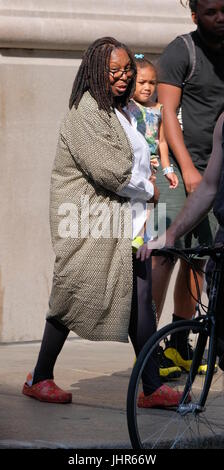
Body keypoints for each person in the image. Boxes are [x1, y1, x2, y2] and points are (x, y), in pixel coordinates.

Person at [22, 37, 182, 408]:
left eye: (127, 69)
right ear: (95, 70)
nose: (124, 77)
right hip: (90, 223)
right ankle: (40, 376)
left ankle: (152, 385)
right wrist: (150, 191)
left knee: (141, 299)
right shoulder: (84, 114)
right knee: (72, 294)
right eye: (115, 70)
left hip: (127, 221)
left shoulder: (122, 111)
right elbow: (110, 171)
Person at [151, 0, 224, 373]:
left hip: (217, 169)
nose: (220, 17)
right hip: (178, 170)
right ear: (195, 15)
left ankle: (180, 340)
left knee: (200, 257)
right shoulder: (182, 50)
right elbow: (166, 114)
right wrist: (189, 169)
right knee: (163, 250)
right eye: (211, 11)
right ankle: (146, 340)